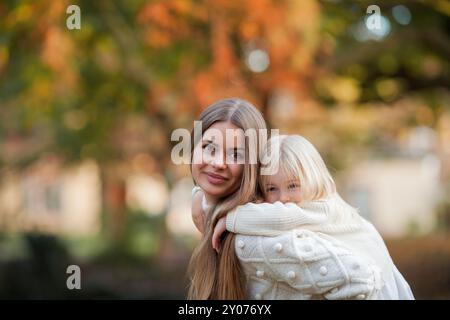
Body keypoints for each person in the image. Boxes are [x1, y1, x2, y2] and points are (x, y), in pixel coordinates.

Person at [188, 98, 384, 300]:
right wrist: (199, 198)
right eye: (208, 147)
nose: (218, 162)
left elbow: (362, 280)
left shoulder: (253, 240)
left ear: (253, 166)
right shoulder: (211, 211)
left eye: (236, 154)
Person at [210, 134, 414, 299]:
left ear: (313, 177)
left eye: (293, 185)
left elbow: (283, 217)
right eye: (272, 189)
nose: (283, 199)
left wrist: (230, 218)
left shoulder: (324, 208)